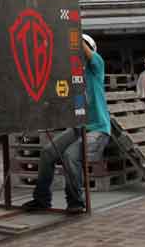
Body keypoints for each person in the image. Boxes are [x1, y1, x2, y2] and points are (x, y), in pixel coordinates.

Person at [23, 33, 111, 213]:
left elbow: (84, 49)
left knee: (71, 156)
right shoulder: (73, 74)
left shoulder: (96, 67)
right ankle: (41, 199)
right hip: (79, 128)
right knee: (48, 152)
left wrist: (71, 31)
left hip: (99, 130)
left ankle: (75, 202)